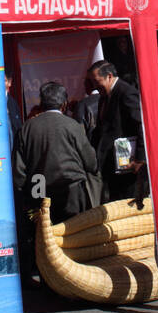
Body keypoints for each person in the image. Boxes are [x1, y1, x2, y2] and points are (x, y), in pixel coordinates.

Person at [12, 81, 99, 225]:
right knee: (75, 233)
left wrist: (25, 195)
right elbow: (90, 161)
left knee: (45, 235)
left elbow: (19, 171)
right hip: (72, 189)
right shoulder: (72, 125)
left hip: (38, 189)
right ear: (64, 103)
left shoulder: (26, 128)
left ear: (41, 102)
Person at [88, 59, 143, 199]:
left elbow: (140, 125)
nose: (95, 86)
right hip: (110, 162)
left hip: (127, 163)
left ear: (109, 76)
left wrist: (140, 159)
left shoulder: (126, 93)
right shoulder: (104, 96)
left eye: (97, 81)